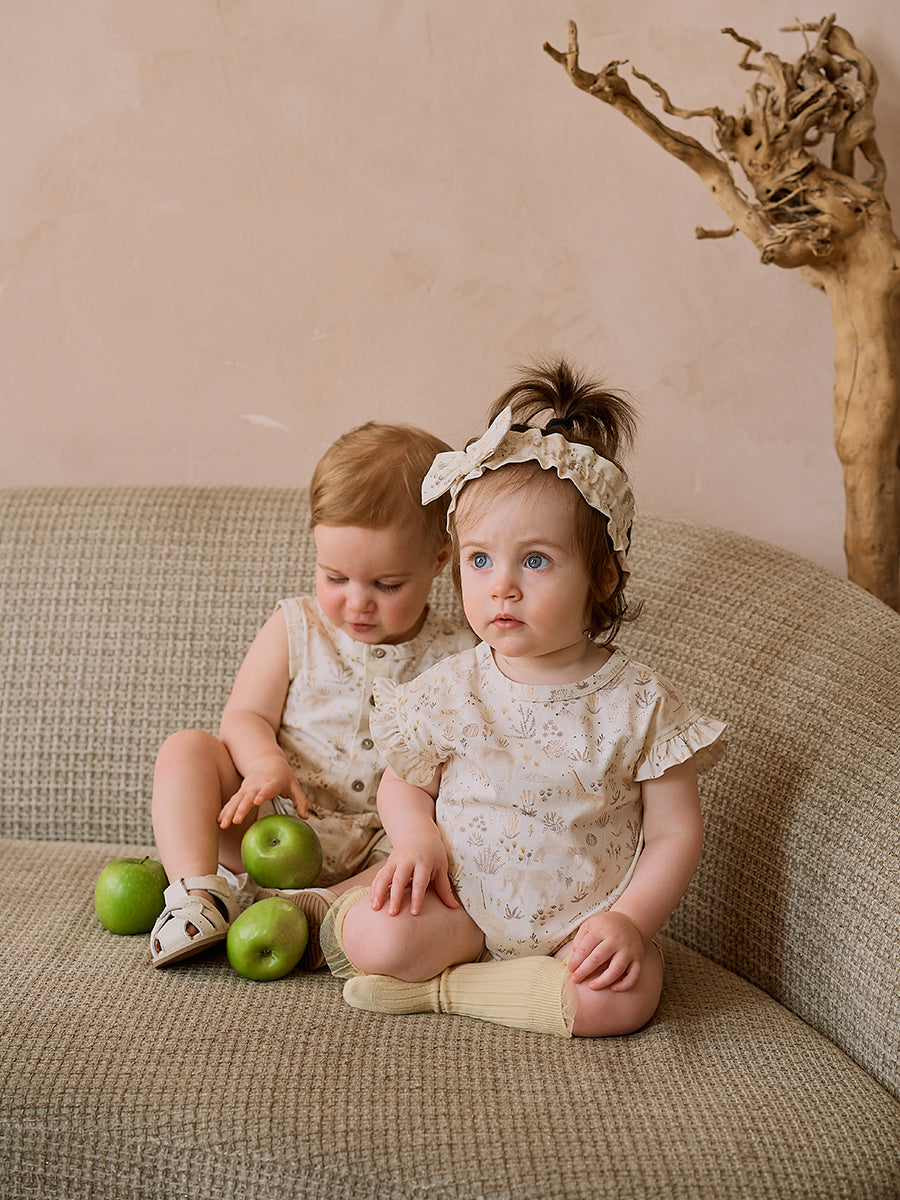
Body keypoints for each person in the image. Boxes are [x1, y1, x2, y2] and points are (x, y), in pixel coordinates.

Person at [319, 359, 726, 1037]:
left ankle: (445, 992)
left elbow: (674, 833)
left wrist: (630, 922)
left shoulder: (641, 703)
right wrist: (415, 841)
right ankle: (478, 979)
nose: (501, 586)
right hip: (457, 911)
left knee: (622, 1000)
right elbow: (404, 783)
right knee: (376, 936)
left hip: (581, 931)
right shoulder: (453, 686)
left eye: (535, 561)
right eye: (480, 559)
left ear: (602, 576)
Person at [150, 420, 476, 968]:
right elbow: (245, 714)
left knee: (454, 843)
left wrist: (421, 828)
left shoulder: (461, 657)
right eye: (335, 577)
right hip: (271, 817)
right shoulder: (295, 626)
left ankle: (323, 912)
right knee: (187, 749)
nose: (357, 602)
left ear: (439, 560)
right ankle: (197, 894)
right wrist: (264, 764)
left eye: (386, 585)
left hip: (383, 841)